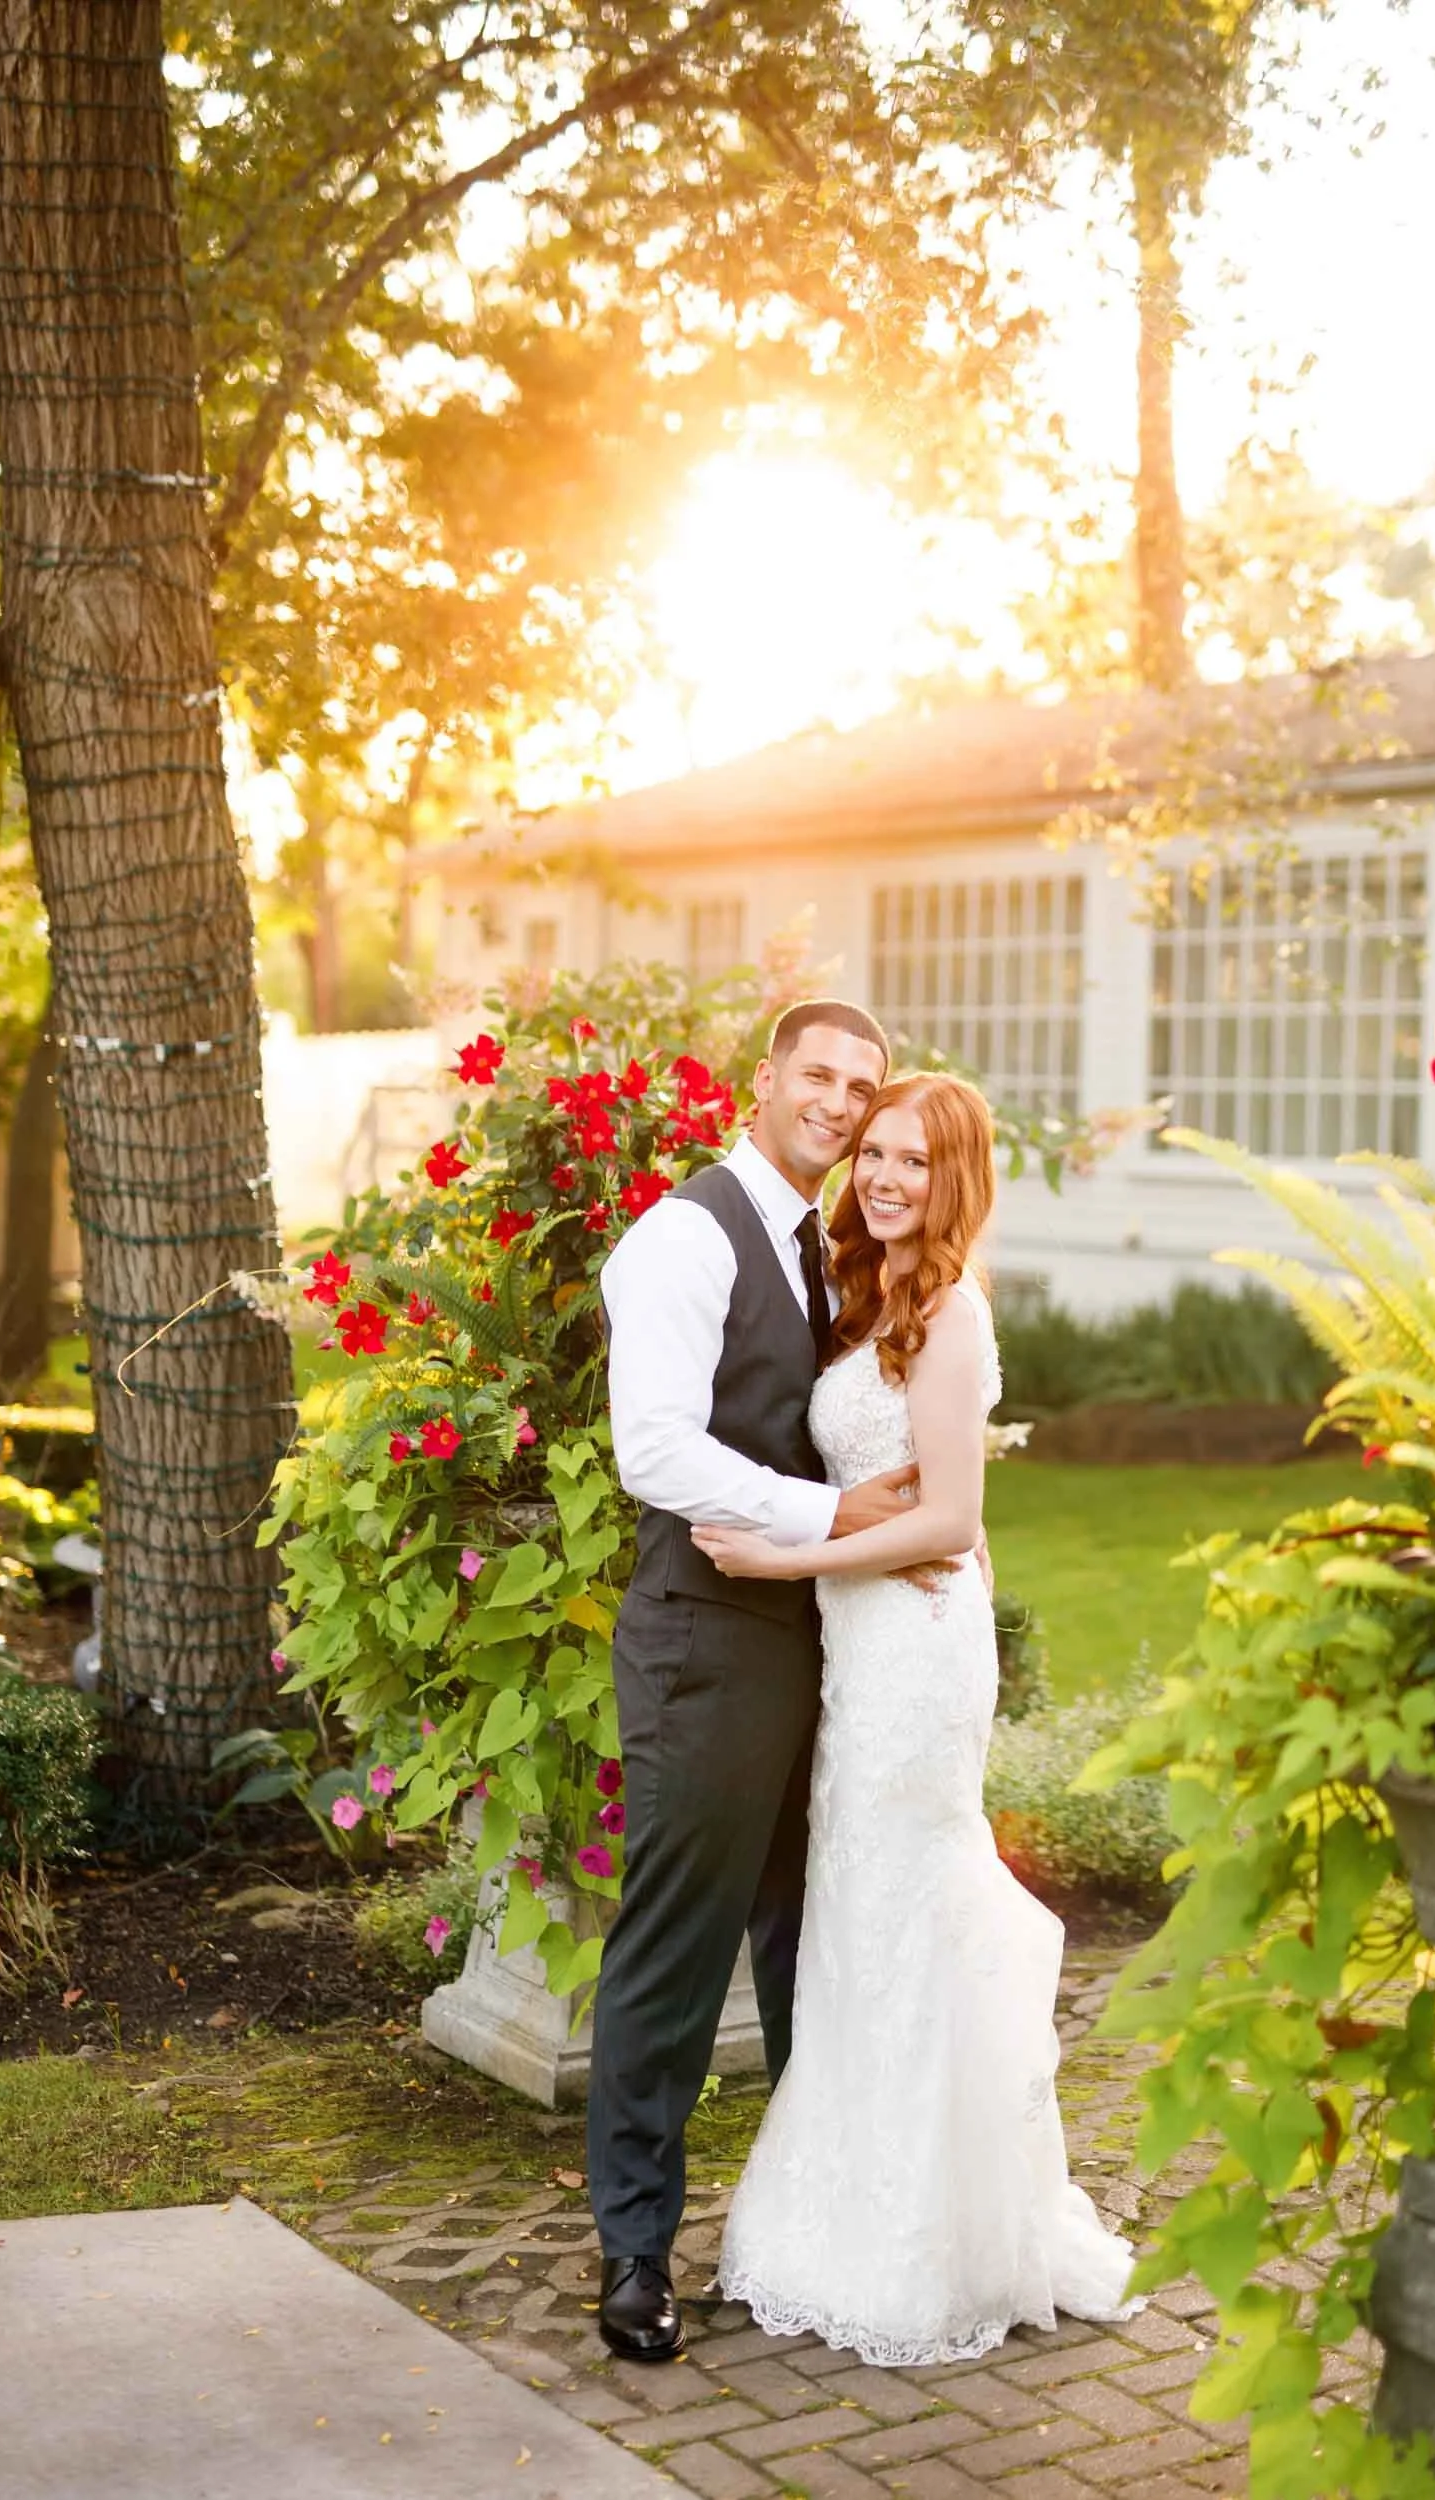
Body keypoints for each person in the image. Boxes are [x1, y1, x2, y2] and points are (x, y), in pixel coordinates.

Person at [692, 1072, 1141, 2367]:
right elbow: (866, 1475)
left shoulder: (952, 1317)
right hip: (859, 1643)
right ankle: (846, 2204)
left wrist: (780, 1560)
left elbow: (953, 1521)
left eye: (914, 1162)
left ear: (957, 1183)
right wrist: (834, 1518)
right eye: (874, 1153)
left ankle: (928, 2238)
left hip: (921, 1651)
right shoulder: (860, 1294)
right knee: (855, 1918)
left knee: (903, 1908)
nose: (885, 1177)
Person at [589, 998, 918, 2365]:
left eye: (865, 1086)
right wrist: (829, 1517)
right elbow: (654, 1450)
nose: (842, 1103)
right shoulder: (684, 1235)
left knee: (811, 1944)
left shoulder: (827, 1247)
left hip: (819, 1647)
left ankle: (808, 2230)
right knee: (677, 1950)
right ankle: (634, 2254)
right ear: (768, 1079)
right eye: (822, 1076)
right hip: (706, 1642)